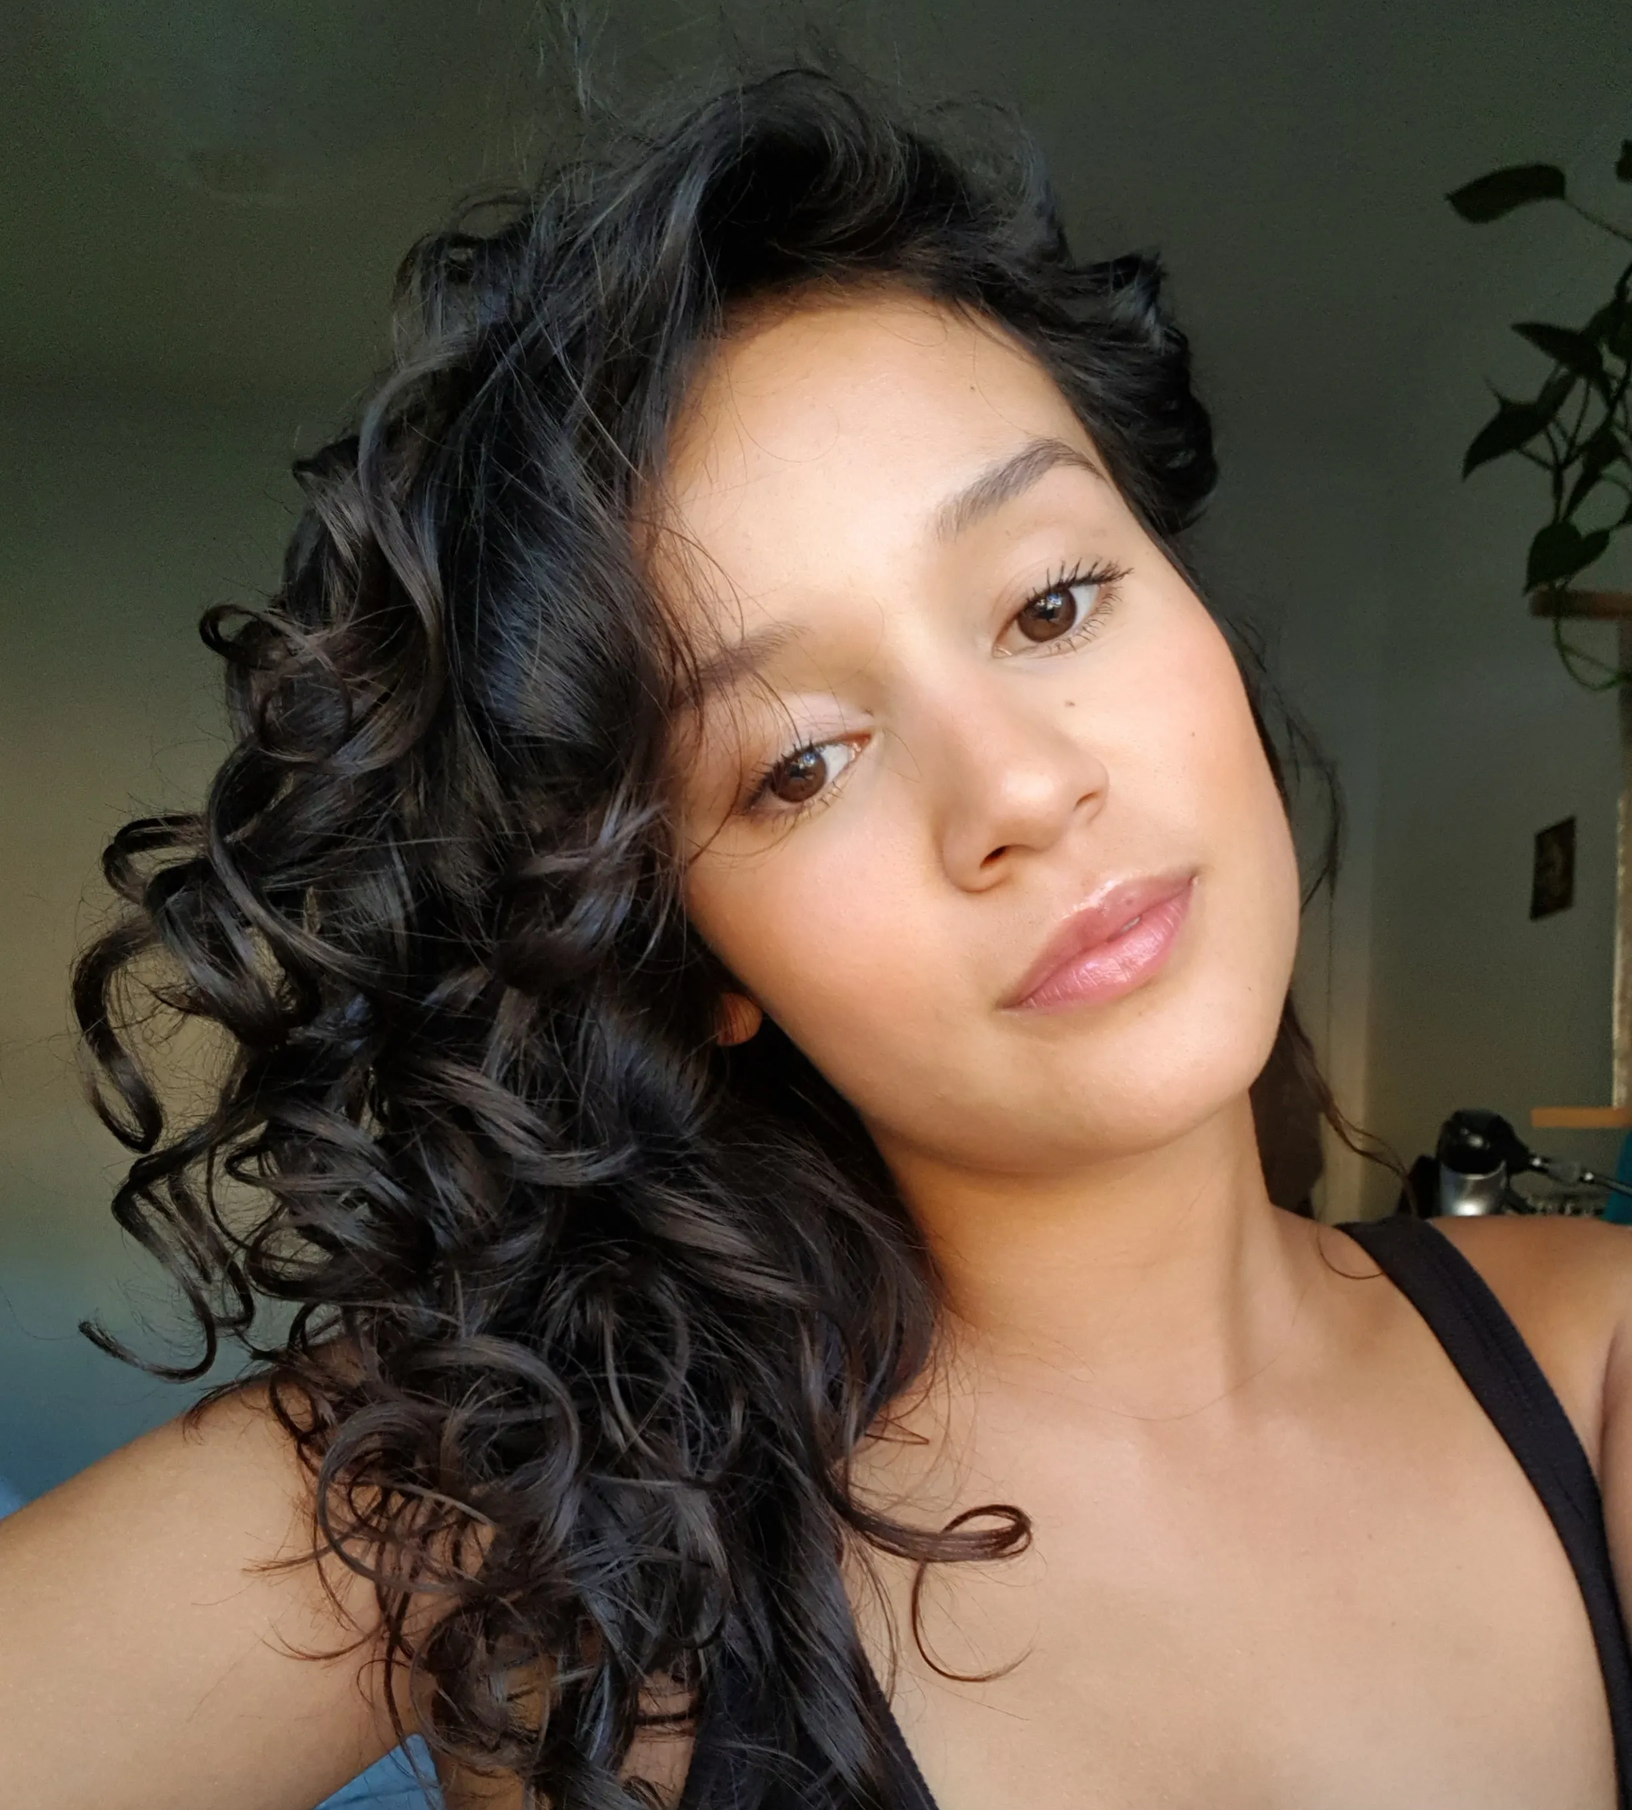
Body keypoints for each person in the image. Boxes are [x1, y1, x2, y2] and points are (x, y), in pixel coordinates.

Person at [2, 67, 1630, 1810]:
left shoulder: (1597, 1361)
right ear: (700, 961)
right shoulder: (558, 1521)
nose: (1019, 785)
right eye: (798, 763)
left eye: (1053, 601)